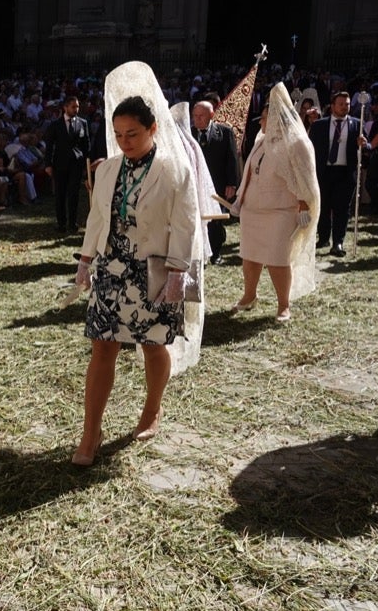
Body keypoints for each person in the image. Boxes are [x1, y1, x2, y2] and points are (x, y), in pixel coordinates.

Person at [73, 62, 199, 466]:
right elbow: (97, 218)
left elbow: (185, 222)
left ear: (152, 129)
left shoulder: (175, 170)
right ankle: (91, 433)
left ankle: (152, 409)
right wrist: (85, 260)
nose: (124, 142)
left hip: (153, 269)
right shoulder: (108, 169)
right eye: (119, 135)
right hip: (112, 269)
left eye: (133, 134)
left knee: (152, 344)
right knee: (102, 347)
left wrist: (179, 270)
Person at [230, 84, 320, 321]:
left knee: (278, 259)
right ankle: (249, 295)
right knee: (250, 255)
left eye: (267, 118)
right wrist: (240, 200)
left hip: (281, 210)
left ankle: (283, 305)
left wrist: (303, 204)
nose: (262, 122)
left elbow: (305, 177)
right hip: (253, 209)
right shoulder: (261, 141)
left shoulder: (297, 143)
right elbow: (249, 170)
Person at [309, 91, 368, 256]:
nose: (344, 107)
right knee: (323, 206)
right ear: (333, 106)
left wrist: (363, 144)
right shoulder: (319, 125)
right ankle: (323, 238)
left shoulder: (357, 124)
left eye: (347, 104)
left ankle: (338, 242)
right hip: (324, 171)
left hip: (345, 172)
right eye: (341, 104)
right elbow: (309, 148)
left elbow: (367, 146)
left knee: (342, 209)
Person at [190, 99, 239, 264]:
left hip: (217, 184)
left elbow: (232, 159)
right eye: (194, 116)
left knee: (216, 220)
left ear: (211, 115)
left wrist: (232, 184)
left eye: (201, 116)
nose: (197, 119)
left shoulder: (225, 133)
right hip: (196, 185)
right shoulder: (188, 134)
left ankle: (216, 252)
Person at [43, 96, 89, 232]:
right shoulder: (55, 125)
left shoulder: (82, 123)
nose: (76, 109)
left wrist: (86, 164)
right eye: (73, 107)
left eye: (77, 107)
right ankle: (61, 223)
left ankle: (72, 222)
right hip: (60, 164)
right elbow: (50, 146)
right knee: (60, 194)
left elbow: (86, 145)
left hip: (76, 163)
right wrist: (48, 164)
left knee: (74, 194)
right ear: (65, 107)